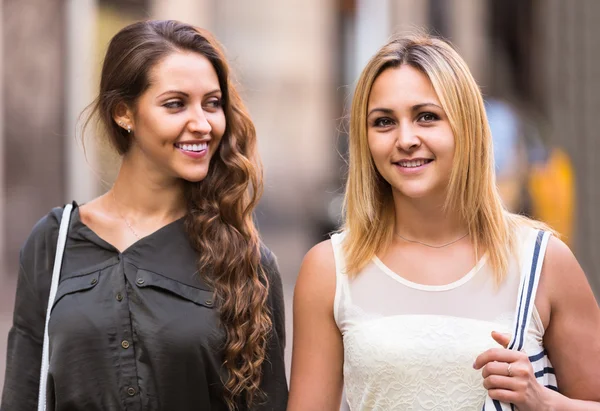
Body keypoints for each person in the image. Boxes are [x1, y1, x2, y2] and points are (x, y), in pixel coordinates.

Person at [288, 34, 600, 410]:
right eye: (384, 122)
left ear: (466, 126)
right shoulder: (330, 268)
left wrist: (544, 402)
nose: (406, 139)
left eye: (427, 117)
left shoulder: (543, 261)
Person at [2, 20, 287, 411]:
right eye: (175, 103)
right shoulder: (54, 241)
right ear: (124, 113)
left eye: (213, 103)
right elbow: (22, 391)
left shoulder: (247, 260)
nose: (202, 124)